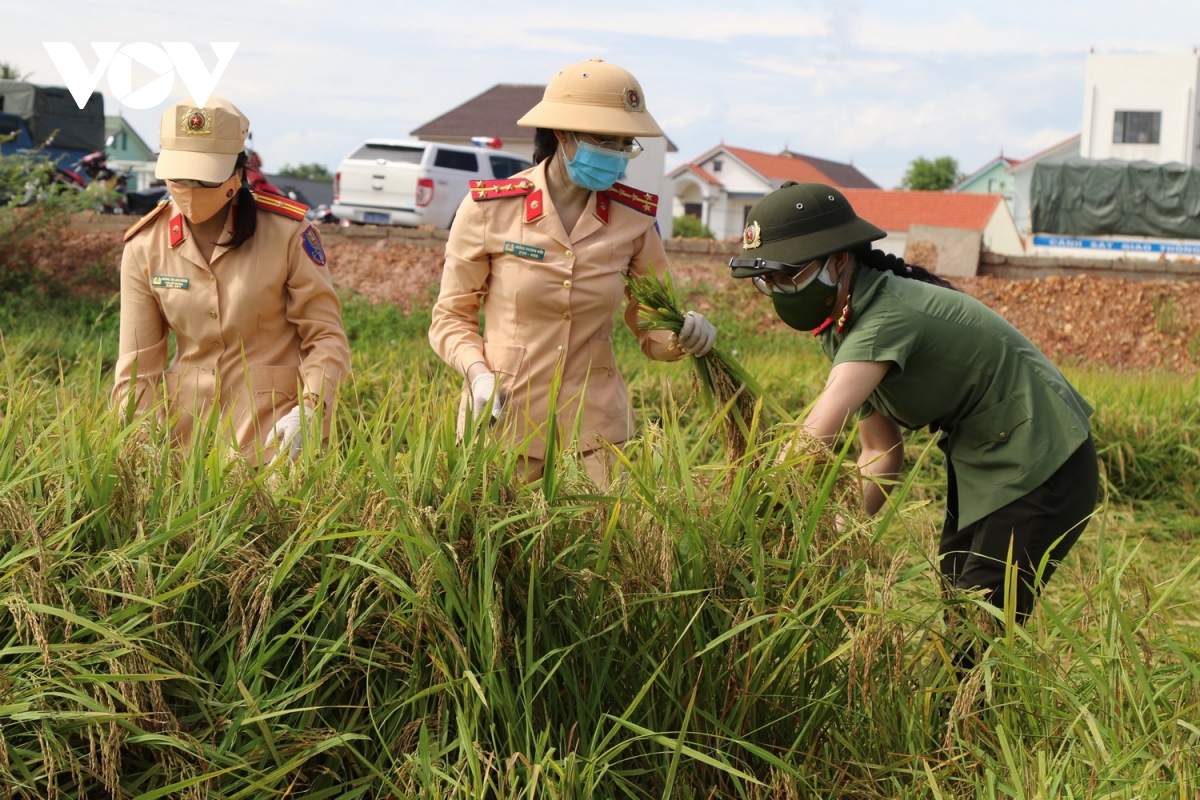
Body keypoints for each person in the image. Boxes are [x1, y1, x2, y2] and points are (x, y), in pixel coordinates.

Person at [729, 181, 1098, 630]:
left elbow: (814, 437)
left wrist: (746, 520)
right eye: (768, 281)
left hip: (1043, 455)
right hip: (984, 453)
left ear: (839, 260)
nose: (778, 289)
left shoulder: (885, 317)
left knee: (978, 624)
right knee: (959, 603)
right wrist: (838, 537)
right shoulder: (844, 322)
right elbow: (880, 452)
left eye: (788, 274)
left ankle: (981, 702)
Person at [429, 58, 717, 484]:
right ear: (563, 134)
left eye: (625, 143)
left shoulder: (635, 219)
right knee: (497, 545)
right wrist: (477, 374)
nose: (617, 154)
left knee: (604, 542)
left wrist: (687, 334)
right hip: (503, 415)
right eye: (605, 139)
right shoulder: (490, 208)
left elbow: (654, 329)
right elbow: (450, 317)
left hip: (597, 432)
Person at [113, 97, 350, 463]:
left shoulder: (287, 234)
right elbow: (137, 369)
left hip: (276, 435)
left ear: (238, 172)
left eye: (204, 177)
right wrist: (138, 451)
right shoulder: (145, 245)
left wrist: (310, 409)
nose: (191, 188)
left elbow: (325, 337)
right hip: (184, 443)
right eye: (180, 175)